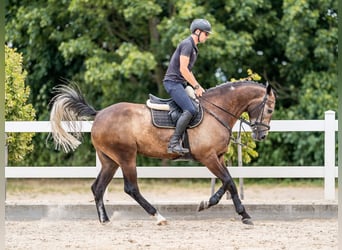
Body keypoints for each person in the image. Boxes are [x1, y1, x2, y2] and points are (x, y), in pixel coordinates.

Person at [163, 18, 211, 155]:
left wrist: (198, 87)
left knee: (199, 104)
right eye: (206, 34)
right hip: (173, 83)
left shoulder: (193, 48)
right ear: (197, 32)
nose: (207, 37)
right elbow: (184, 69)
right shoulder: (187, 44)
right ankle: (173, 143)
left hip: (181, 84)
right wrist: (196, 86)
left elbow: (188, 72)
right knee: (190, 109)